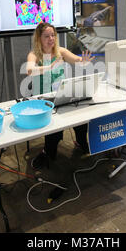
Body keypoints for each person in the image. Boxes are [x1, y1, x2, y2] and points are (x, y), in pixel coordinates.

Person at [26, 22, 95, 169]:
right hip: (44, 98)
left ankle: (81, 142)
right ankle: (48, 151)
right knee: (54, 130)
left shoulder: (60, 51)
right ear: (39, 39)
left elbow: (76, 60)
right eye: (47, 36)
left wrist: (82, 61)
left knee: (81, 119)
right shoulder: (34, 55)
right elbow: (30, 70)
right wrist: (49, 67)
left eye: (53, 35)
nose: (51, 39)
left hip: (61, 93)